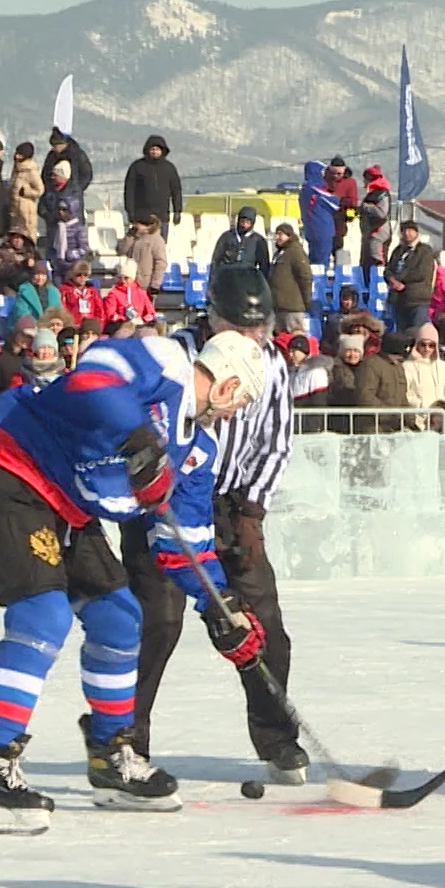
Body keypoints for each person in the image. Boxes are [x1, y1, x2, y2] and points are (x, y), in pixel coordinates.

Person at [0, 316, 267, 832]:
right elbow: (92, 375)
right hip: (10, 467)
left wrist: (220, 605)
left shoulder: (197, 452)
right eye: (243, 402)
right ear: (230, 386)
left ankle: (111, 755)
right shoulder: (165, 363)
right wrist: (138, 435)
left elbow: (180, 542)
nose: (237, 413)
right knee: (42, 616)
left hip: (67, 508)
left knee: (121, 618)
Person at [106, 266, 310, 780]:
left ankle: (276, 739)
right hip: (164, 503)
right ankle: (127, 740)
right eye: (240, 329)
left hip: (231, 505)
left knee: (263, 626)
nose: (250, 339)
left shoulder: (273, 366)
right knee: (159, 621)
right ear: (212, 318)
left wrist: (252, 511)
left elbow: (276, 442)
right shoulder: (177, 355)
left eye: (258, 329)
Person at [123, 135, 183, 237]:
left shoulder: (169, 168)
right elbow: (129, 191)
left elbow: (176, 191)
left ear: (163, 150)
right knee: (140, 245)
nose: (155, 151)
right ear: (148, 150)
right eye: (153, 149)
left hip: (162, 217)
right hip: (141, 217)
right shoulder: (137, 167)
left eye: (158, 149)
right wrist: (130, 213)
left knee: (159, 246)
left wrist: (177, 211)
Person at [404, 320, 445, 431]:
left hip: (441, 420)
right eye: (423, 344)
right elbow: (406, 393)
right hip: (418, 420)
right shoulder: (407, 366)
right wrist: (422, 406)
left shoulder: (443, 366)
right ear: (417, 344)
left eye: (431, 345)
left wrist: (444, 410)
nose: (427, 349)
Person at [385, 221, 436, 333]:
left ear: (416, 232)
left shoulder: (424, 250)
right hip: (398, 300)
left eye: (410, 230)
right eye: (404, 231)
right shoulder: (398, 250)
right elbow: (388, 269)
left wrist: (400, 281)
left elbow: (421, 273)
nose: (407, 234)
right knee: (401, 332)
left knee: (417, 331)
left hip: (417, 299)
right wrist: (391, 279)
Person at [268, 223, 313, 333]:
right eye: (276, 234)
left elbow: (305, 277)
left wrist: (306, 301)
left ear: (289, 235)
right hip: (279, 307)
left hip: (292, 308)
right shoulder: (279, 253)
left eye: (280, 234)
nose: (277, 237)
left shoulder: (296, 251)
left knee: (294, 339)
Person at [211, 206, 270, 273]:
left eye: (248, 223)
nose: (244, 225)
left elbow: (264, 266)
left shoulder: (259, 240)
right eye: (242, 221)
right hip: (228, 277)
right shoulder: (227, 236)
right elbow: (216, 260)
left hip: (247, 279)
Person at [8, 142, 44, 244]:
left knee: (27, 237)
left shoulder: (31, 171)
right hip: (15, 209)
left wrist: (26, 192)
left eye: (20, 154)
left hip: (26, 210)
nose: (16, 156)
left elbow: (40, 189)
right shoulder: (17, 169)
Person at [358, 165, 392, 270]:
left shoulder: (382, 194)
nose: (364, 182)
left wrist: (365, 207)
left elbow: (382, 213)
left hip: (378, 234)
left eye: (365, 179)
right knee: (366, 263)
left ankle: (378, 284)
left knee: (377, 263)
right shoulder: (372, 194)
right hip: (369, 233)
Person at [40, 127, 93, 194]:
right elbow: (45, 173)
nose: (53, 148)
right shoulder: (52, 155)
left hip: (72, 194)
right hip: (52, 194)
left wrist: (77, 189)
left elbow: (86, 174)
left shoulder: (78, 155)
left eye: (55, 146)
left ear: (63, 144)